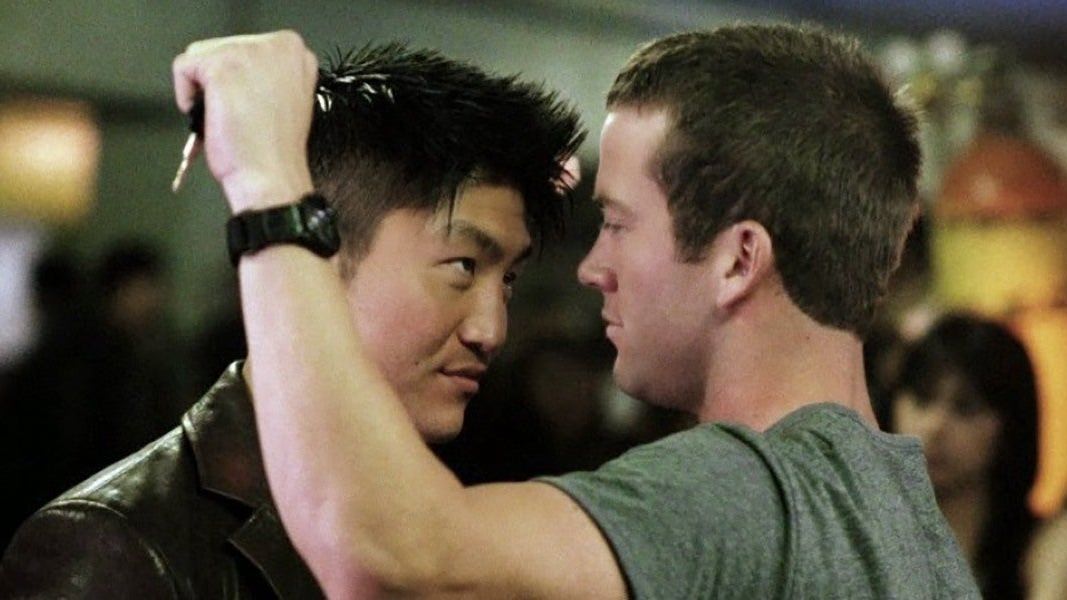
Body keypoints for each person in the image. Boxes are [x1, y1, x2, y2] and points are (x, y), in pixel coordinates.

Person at [166, 25, 980, 598]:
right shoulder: (902, 519)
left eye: (618, 225)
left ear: (737, 260)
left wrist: (267, 180)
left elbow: (390, 556)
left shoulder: (749, 495)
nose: (593, 269)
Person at [0, 40, 582, 598]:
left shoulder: (465, 521)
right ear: (313, 251)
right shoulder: (113, 545)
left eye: (508, 279)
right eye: (463, 266)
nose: (491, 331)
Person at [893, 313, 1039, 600]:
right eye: (922, 399)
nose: (935, 426)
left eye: (965, 407)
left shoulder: (1041, 554)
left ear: (1009, 427)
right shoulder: (857, 536)